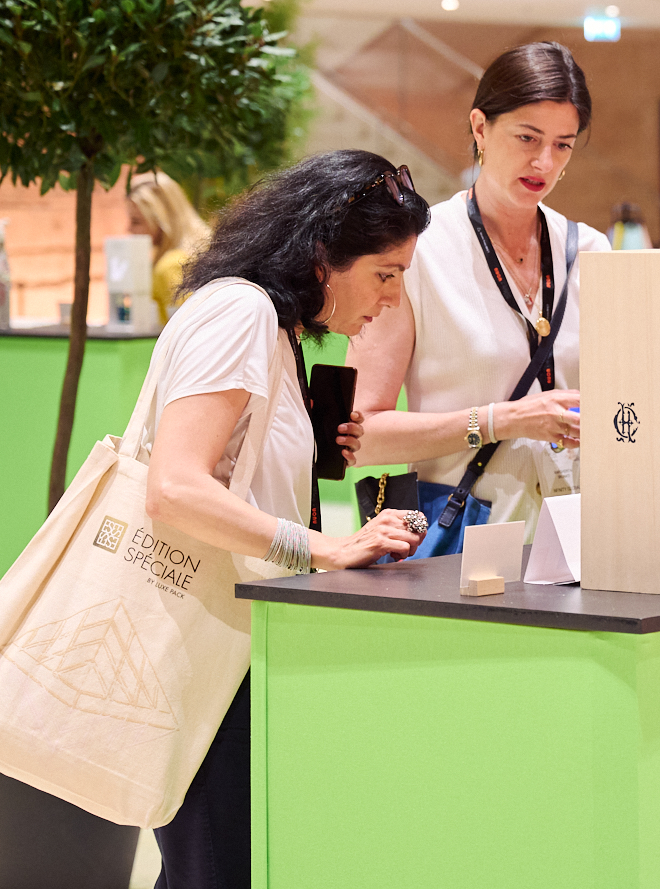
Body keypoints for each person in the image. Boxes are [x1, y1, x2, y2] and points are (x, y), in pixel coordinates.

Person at [143, 150, 431, 888]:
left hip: (233, 653)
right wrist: (323, 548)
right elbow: (173, 485)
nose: (392, 300)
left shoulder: (274, 328)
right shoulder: (241, 312)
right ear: (320, 255)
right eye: (385, 273)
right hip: (207, 656)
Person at [343, 42, 611, 549]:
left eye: (563, 145)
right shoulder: (419, 252)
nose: (544, 162)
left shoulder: (591, 250)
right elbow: (361, 437)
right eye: (527, 137)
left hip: (582, 536)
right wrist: (500, 421)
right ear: (480, 128)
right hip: (466, 537)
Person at [126, 173, 213, 325]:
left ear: (160, 218)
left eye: (136, 221)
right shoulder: (200, 251)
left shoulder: (171, 265)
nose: (129, 229)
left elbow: (187, 327)